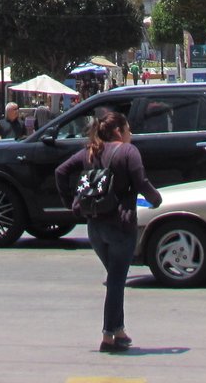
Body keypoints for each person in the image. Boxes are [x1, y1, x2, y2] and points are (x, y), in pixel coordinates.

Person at [55, 112, 161, 353]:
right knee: (116, 281)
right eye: (128, 129)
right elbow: (141, 181)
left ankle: (119, 331)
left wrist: (70, 202)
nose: (130, 134)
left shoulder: (90, 152)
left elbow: (61, 171)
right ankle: (108, 336)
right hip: (121, 227)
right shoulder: (128, 152)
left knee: (116, 279)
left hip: (95, 228)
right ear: (118, 131)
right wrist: (156, 199)